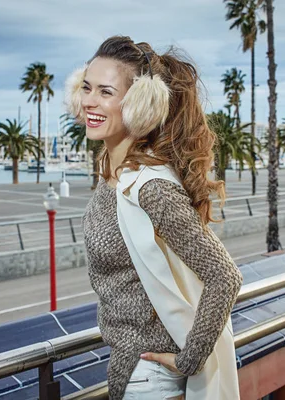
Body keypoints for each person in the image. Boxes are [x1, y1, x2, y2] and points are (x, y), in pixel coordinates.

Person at [67, 35, 243, 400]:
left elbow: (224, 277)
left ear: (139, 104)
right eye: (86, 88)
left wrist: (189, 359)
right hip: (127, 368)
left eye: (105, 92)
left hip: (149, 378)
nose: (89, 102)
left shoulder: (150, 188)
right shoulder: (114, 176)